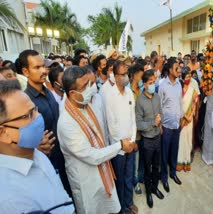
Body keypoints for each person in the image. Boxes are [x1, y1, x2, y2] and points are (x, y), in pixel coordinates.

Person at [58, 66, 134, 214]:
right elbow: (91, 155)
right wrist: (119, 145)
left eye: (89, 83)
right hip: (88, 181)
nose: (90, 88)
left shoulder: (85, 106)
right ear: (73, 93)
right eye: (84, 86)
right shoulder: (66, 123)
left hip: (103, 170)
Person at [0, 80, 74, 213]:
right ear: (3, 133)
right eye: (28, 115)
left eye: (35, 109)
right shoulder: (8, 200)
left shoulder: (36, 153)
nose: (39, 117)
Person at [20, 50, 72, 197]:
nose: (43, 71)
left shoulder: (48, 92)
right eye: (37, 67)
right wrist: (35, 147)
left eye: (43, 66)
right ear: (25, 71)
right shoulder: (25, 100)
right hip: (46, 164)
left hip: (63, 157)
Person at [105, 60, 138, 214]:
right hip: (118, 148)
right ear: (115, 76)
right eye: (123, 74)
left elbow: (133, 119)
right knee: (120, 179)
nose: (127, 77)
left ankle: (129, 203)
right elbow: (111, 126)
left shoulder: (130, 92)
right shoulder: (110, 96)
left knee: (129, 176)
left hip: (130, 144)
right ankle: (122, 209)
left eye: (127, 73)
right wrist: (122, 143)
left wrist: (132, 140)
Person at [136, 70, 164, 208]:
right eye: (151, 83)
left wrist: (160, 124)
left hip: (157, 137)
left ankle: (154, 187)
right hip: (147, 141)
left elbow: (161, 114)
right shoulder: (140, 101)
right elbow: (139, 124)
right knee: (147, 168)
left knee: (156, 166)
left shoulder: (157, 97)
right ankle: (148, 192)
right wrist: (153, 123)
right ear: (145, 85)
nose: (153, 85)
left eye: (154, 82)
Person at [158, 57, 183, 192]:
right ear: (169, 70)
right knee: (164, 154)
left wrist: (181, 118)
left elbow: (180, 102)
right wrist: (160, 125)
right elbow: (159, 106)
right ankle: (164, 178)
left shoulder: (179, 84)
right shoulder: (162, 86)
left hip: (176, 125)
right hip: (166, 127)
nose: (179, 70)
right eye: (176, 68)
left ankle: (173, 173)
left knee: (174, 152)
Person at [177, 67, 198, 171]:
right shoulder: (179, 89)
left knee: (188, 141)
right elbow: (178, 105)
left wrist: (190, 116)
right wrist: (185, 116)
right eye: (187, 76)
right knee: (181, 141)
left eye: (190, 76)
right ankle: (179, 163)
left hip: (190, 120)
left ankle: (186, 162)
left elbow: (194, 104)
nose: (189, 78)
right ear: (183, 77)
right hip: (182, 119)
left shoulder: (192, 90)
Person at [129, 64, 144, 195]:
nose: (141, 77)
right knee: (135, 159)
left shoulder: (142, 89)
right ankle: (136, 182)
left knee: (142, 158)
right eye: (140, 75)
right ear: (133, 75)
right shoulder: (128, 91)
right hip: (134, 133)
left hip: (144, 130)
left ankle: (140, 177)